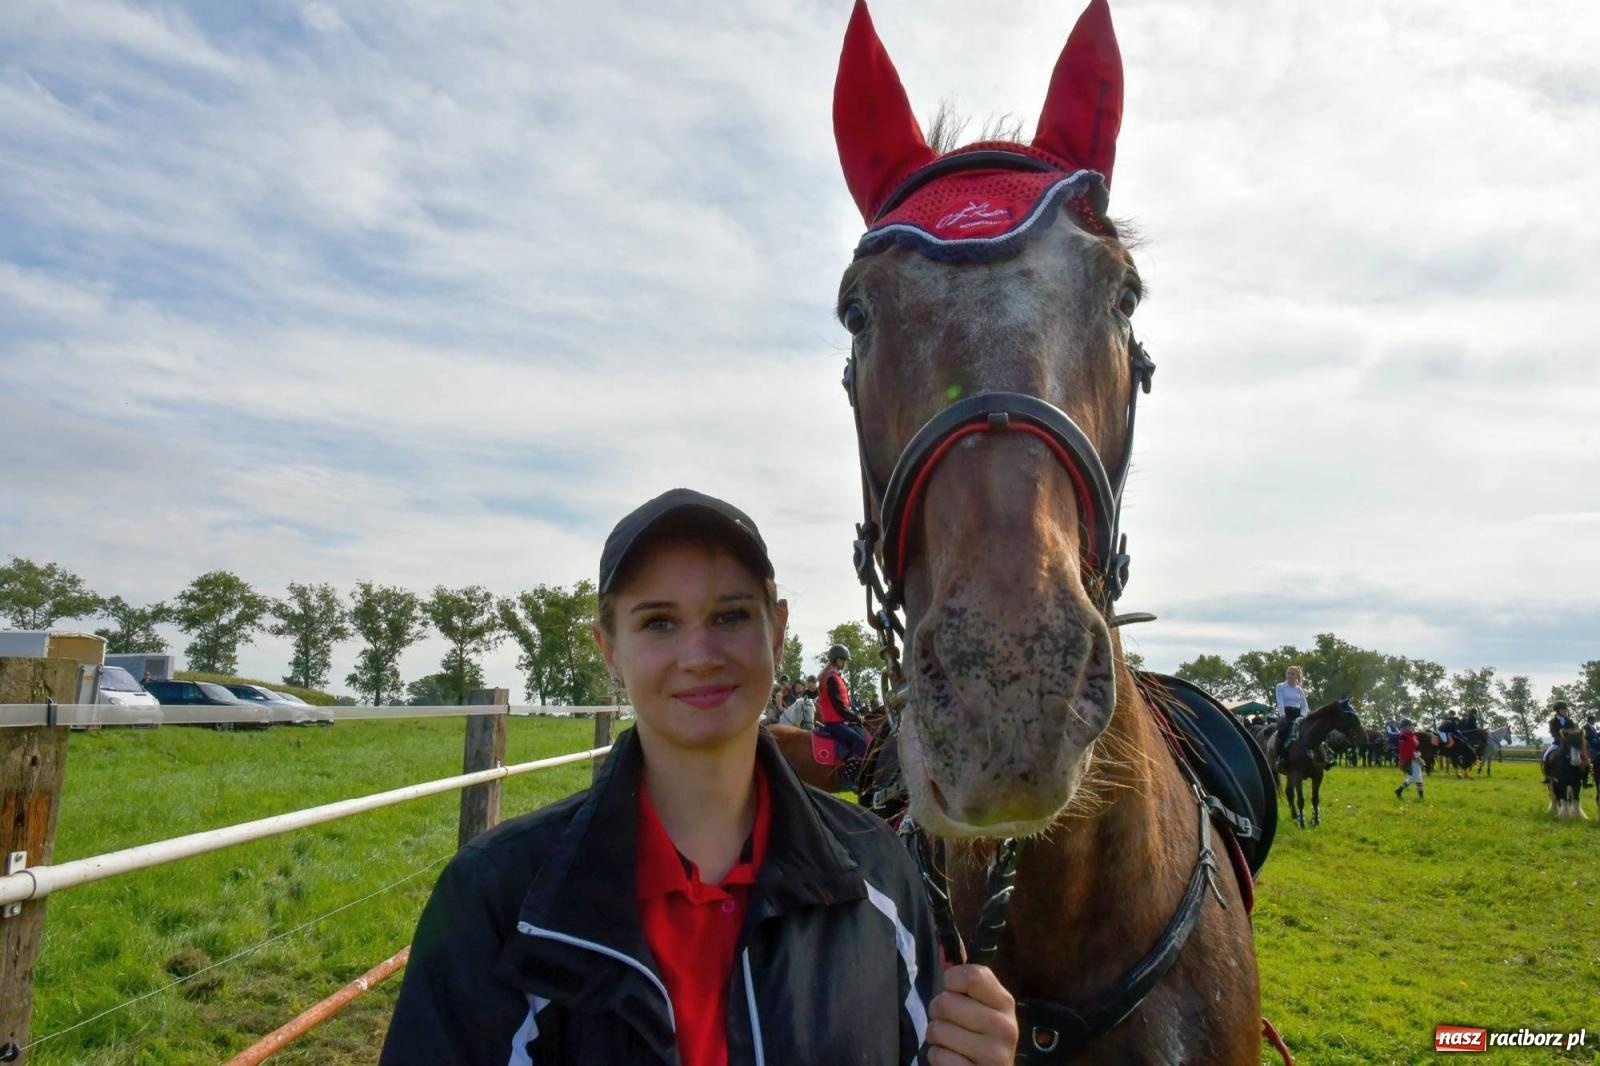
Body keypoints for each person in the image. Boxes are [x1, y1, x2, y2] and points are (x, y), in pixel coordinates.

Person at [380, 488, 1017, 1065]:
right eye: (659, 622)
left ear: (778, 629)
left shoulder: (879, 871)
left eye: (731, 616)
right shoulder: (494, 899)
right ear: (610, 649)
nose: (700, 656)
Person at [815, 643, 870, 775]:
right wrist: (856, 717)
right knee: (860, 742)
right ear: (838, 660)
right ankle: (851, 775)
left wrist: (855, 718)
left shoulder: (834, 677)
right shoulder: (831, 679)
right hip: (835, 723)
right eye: (844, 660)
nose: (845, 663)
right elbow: (839, 706)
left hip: (839, 721)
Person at [1273, 665, 1311, 762]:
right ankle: (1280, 756)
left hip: (1298, 715)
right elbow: (1280, 702)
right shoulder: (1280, 686)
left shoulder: (1299, 689)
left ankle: (1320, 755)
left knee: (1311, 730)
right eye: (1288, 673)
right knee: (1282, 732)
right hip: (1286, 714)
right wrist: (1283, 715)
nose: (1289, 676)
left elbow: (1305, 705)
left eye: (1292, 674)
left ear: (1297, 676)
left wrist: (1302, 716)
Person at [1394, 719, 1423, 802]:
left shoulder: (1412, 735)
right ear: (1404, 727)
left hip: (1415, 757)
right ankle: (1421, 797)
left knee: (1413, 778)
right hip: (1409, 759)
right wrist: (1412, 756)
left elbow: (1415, 747)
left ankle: (1399, 790)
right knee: (1417, 778)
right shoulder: (1403, 735)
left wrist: (1418, 756)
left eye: (1412, 726)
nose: (1412, 727)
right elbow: (1402, 748)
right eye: (1410, 726)